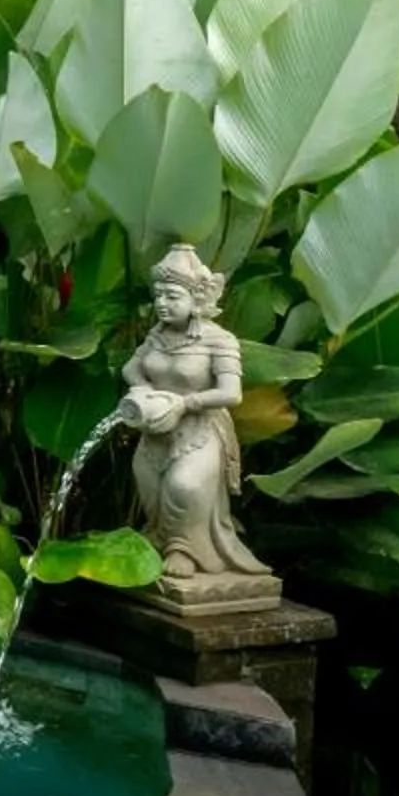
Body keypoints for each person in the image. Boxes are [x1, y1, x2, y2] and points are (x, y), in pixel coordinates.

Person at [117, 243, 271, 586]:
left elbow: (232, 393)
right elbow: (131, 369)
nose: (162, 303)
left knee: (184, 486)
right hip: (157, 427)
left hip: (199, 428)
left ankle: (185, 549)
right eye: (158, 296)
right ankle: (158, 538)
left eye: (172, 296)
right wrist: (143, 390)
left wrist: (185, 404)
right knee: (148, 482)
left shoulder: (219, 341)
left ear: (197, 300)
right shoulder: (156, 336)